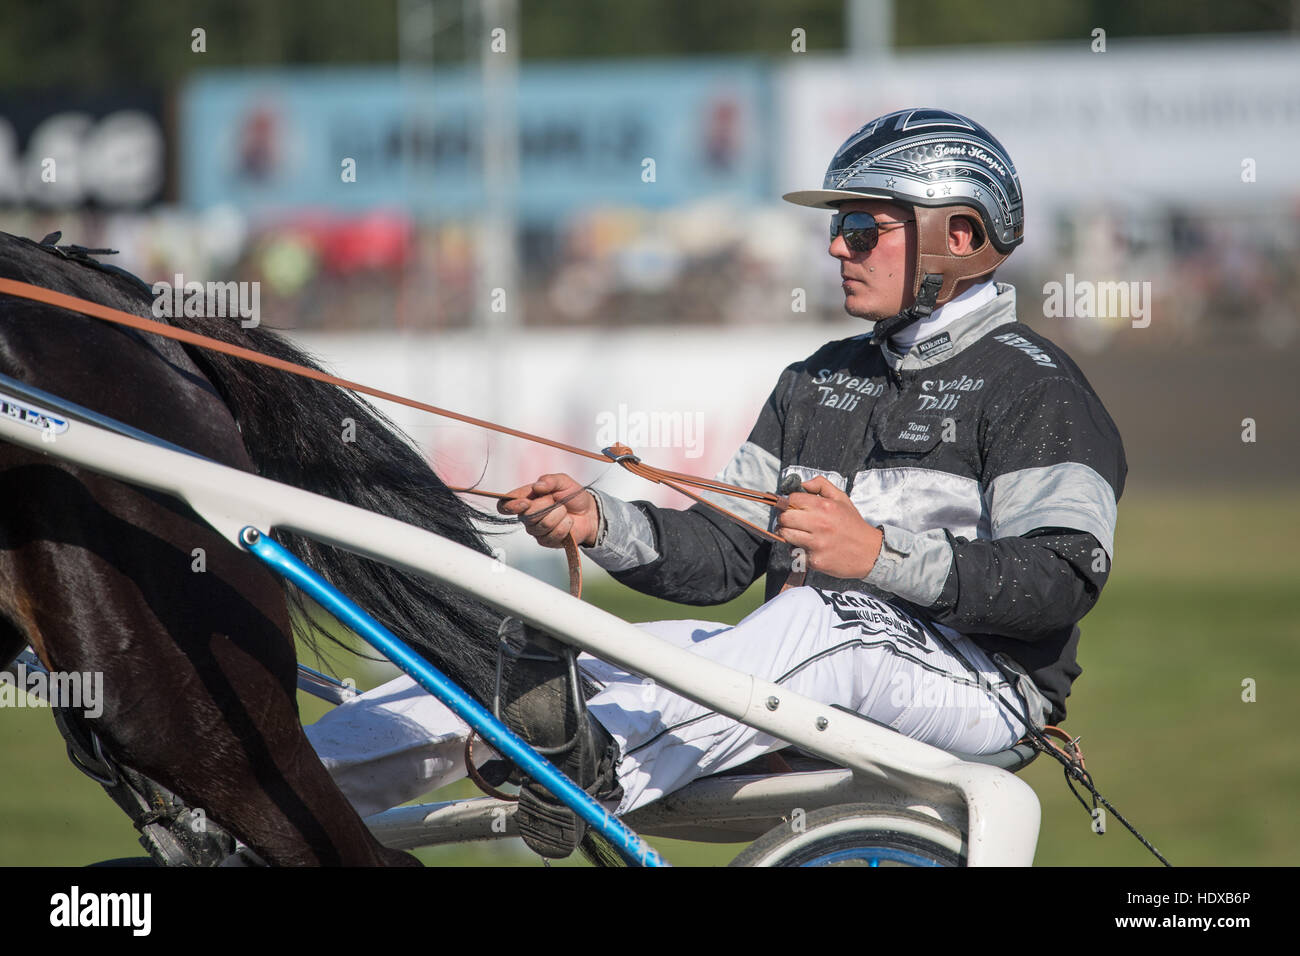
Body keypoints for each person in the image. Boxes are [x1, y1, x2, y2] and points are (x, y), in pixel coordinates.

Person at [305, 107, 1126, 861]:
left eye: (860, 228)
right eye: (838, 228)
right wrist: (602, 521)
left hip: (983, 689)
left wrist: (875, 554)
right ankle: (265, 793)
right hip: (818, 657)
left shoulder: (1037, 388)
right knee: (556, 658)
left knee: (818, 613)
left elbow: (1061, 578)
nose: (837, 247)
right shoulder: (818, 379)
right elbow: (726, 554)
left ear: (960, 233)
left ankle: (593, 772)